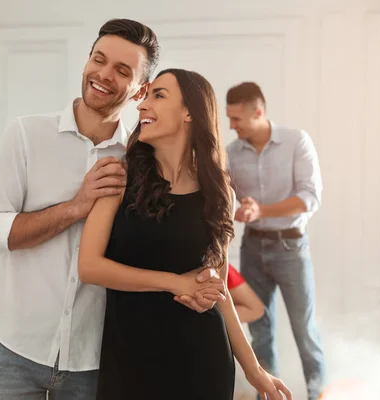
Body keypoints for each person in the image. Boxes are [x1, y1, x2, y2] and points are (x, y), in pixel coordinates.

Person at [0, 18, 225, 399]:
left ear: (140, 88)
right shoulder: (26, 135)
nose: (103, 74)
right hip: (14, 347)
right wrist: (75, 207)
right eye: (99, 59)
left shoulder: (140, 161)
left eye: (122, 70)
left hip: (93, 360)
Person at [78, 69, 292, 400]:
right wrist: (175, 282)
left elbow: (218, 289)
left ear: (189, 112)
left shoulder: (219, 190)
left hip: (202, 359)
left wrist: (254, 369)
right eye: (145, 97)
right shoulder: (118, 175)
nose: (142, 106)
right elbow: (89, 267)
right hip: (131, 361)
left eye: (158, 96)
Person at [225, 82, 326, 400]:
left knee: (304, 332)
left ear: (258, 112)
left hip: (292, 249)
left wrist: (262, 210)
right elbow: (226, 197)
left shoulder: (297, 141)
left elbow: (309, 197)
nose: (231, 126)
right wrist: (236, 209)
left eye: (237, 118)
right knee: (260, 334)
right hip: (252, 247)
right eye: (229, 118)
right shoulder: (230, 153)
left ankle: (316, 395)